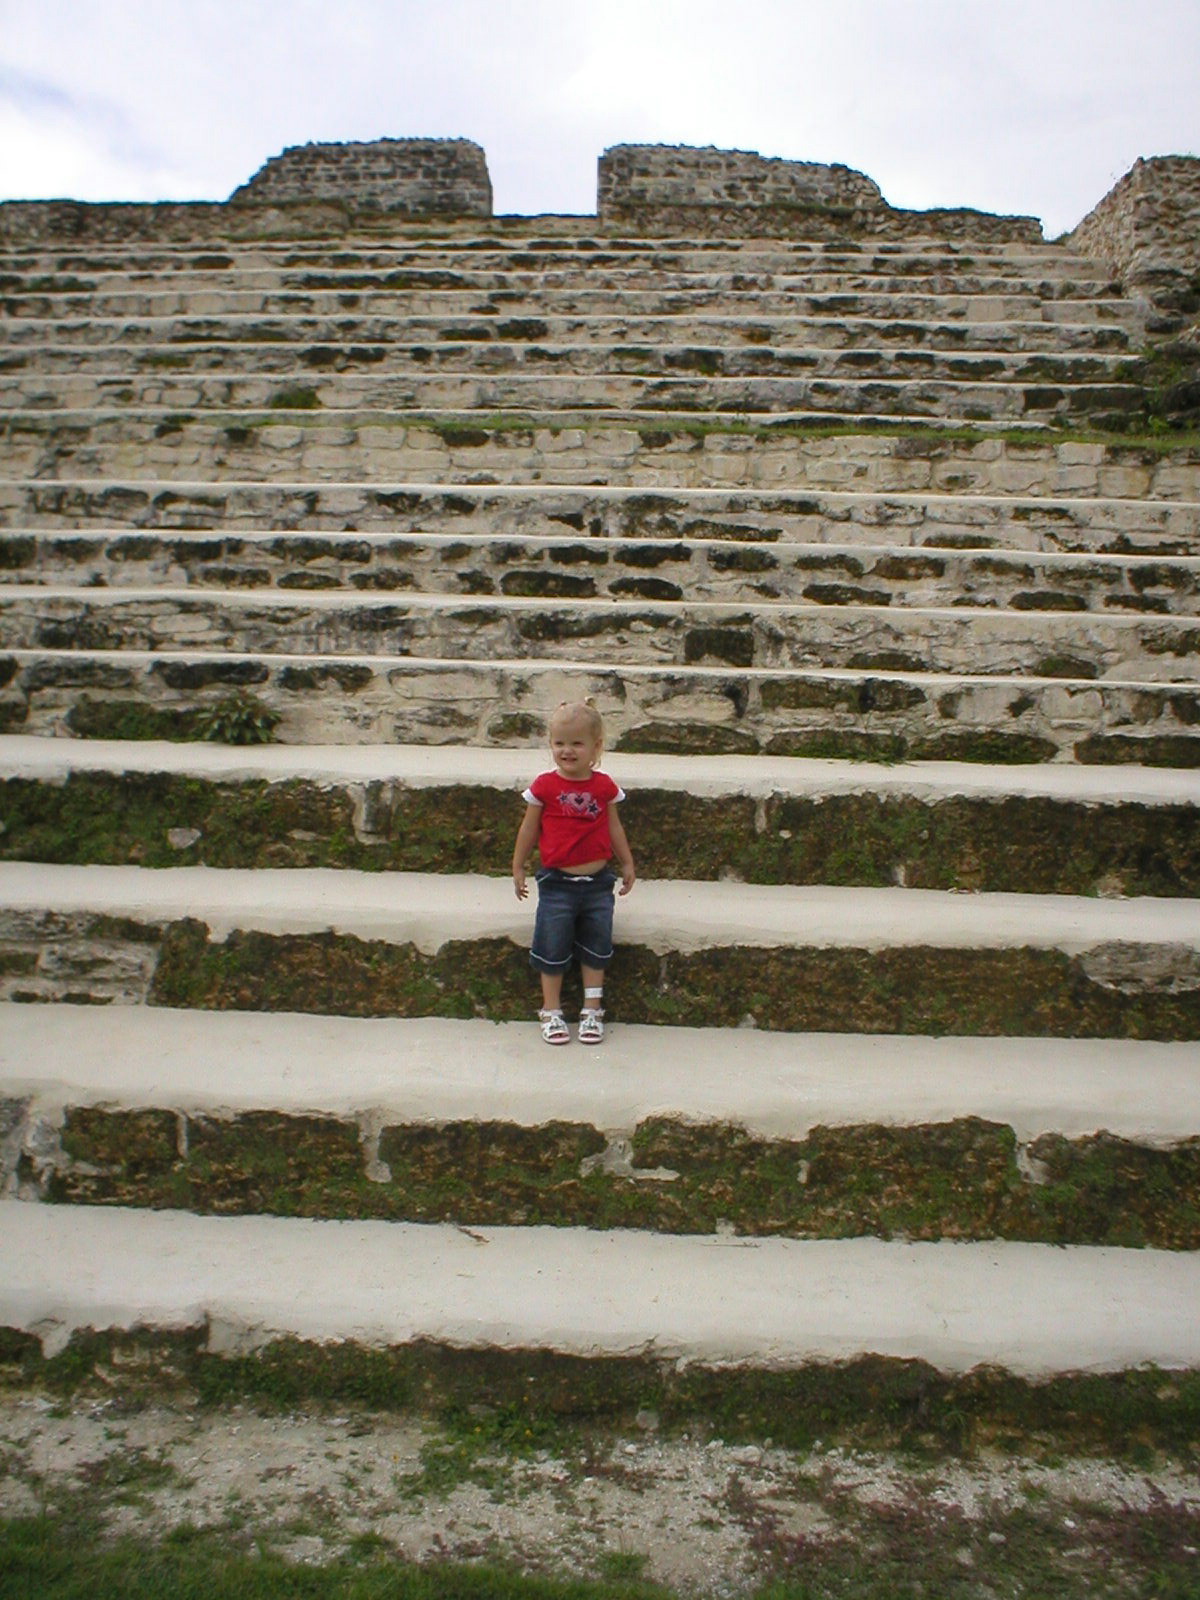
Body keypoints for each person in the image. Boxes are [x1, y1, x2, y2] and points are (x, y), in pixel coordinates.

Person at [512, 700, 636, 1044]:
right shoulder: (544, 786)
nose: (567, 751)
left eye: (577, 743)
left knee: (596, 947)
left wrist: (626, 862)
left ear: (596, 747)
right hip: (557, 884)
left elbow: (614, 828)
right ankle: (551, 1010)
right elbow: (528, 829)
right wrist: (518, 864)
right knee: (552, 947)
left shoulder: (604, 786)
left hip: (598, 884)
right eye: (559, 743)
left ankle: (592, 1009)